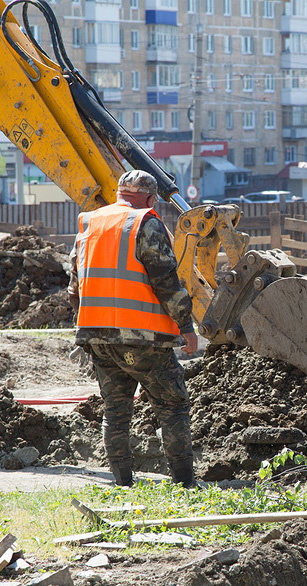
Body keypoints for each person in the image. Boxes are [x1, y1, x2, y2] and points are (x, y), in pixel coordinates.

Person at [68, 170, 198, 488]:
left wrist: (84, 322)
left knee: (115, 408)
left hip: (97, 334)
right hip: (144, 337)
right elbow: (166, 281)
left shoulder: (89, 223)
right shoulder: (145, 222)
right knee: (173, 405)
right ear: (150, 198)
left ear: (118, 194)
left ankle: (122, 482)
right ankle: (184, 483)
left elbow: (74, 285)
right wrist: (186, 326)